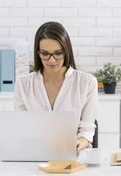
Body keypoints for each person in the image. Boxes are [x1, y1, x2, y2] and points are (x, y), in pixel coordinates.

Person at [14, 21, 98, 153]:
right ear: (38, 53)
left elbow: (87, 130)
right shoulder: (23, 84)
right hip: (34, 155)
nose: (52, 60)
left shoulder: (87, 82)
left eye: (58, 53)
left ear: (66, 51)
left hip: (74, 156)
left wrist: (80, 142)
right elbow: (21, 128)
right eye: (45, 54)